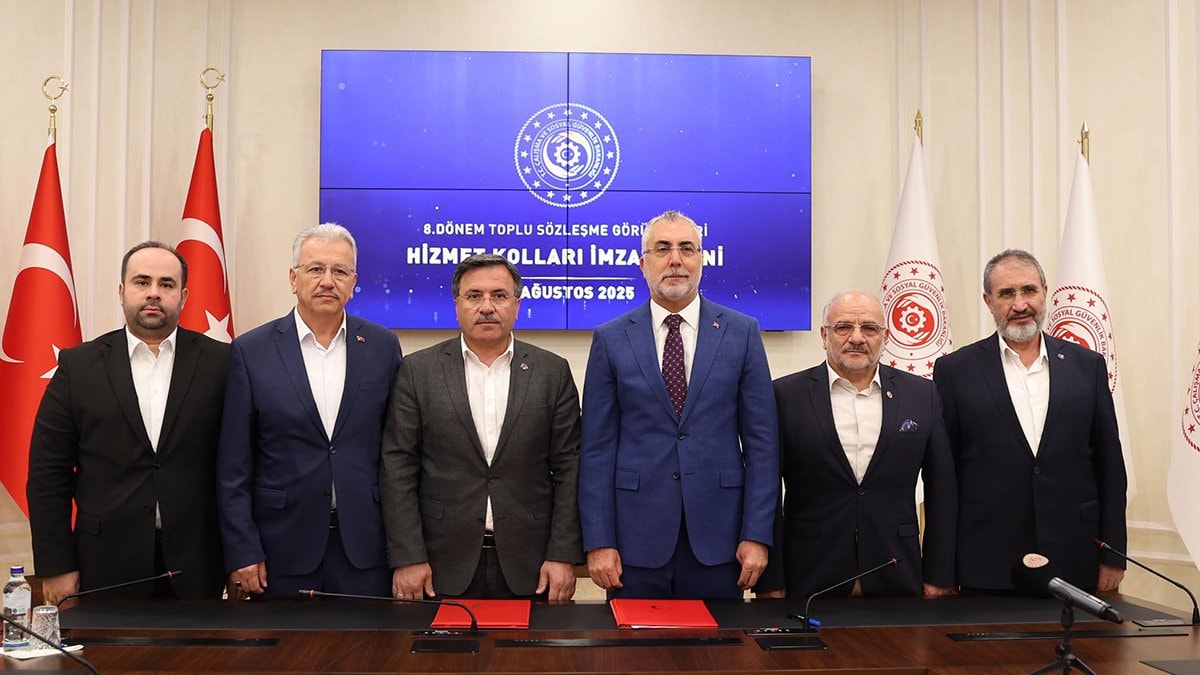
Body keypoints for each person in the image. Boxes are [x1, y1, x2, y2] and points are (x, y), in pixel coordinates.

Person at [578, 209, 779, 599]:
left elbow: (763, 445)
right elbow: (597, 449)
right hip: (634, 544)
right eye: (662, 249)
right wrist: (599, 541)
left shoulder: (742, 332)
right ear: (643, 264)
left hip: (721, 540)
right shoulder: (611, 338)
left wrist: (757, 534)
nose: (675, 260)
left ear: (701, 260)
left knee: (719, 639)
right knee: (634, 641)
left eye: (687, 248)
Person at [28, 241, 228, 603]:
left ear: (183, 297)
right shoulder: (78, 367)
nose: (153, 293)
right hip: (104, 565)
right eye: (142, 282)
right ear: (122, 292)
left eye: (166, 284)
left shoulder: (222, 363)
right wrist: (56, 566)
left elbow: (241, 466)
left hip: (199, 565)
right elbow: (48, 474)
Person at [381, 254, 582, 602]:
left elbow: (570, 467)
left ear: (517, 306)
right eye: (474, 296)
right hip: (439, 563)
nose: (487, 306)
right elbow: (398, 467)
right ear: (456, 305)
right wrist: (408, 556)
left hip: (533, 564)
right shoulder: (417, 371)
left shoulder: (552, 372)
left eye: (499, 296)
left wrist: (562, 554)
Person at [217, 223, 402, 599]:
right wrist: (243, 549)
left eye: (340, 271)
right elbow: (234, 465)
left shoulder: (383, 346)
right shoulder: (251, 351)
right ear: (293, 278)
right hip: (279, 550)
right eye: (316, 269)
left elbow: (399, 453)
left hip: (366, 550)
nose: (327, 281)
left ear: (354, 282)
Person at [933, 249, 1126, 592]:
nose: (1020, 304)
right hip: (986, 559)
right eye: (1006, 294)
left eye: (1029, 290)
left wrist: (1113, 554)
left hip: (1075, 555)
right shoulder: (955, 371)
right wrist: (940, 570)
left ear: (1045, 292)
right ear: (988, 301)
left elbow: (1110, 466)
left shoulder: (1087, 366)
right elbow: (943, 477)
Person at [757, 291, 956, 600]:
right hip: (809, 574)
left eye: (870, 328)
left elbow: (942, 489)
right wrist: (771, 578)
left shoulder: (922, 395)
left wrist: (939, 574)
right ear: (824, 335)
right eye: (843, 327)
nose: (857, 338)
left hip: (897, 570)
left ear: (885, 336)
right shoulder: (784, 395)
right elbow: (765, 487)